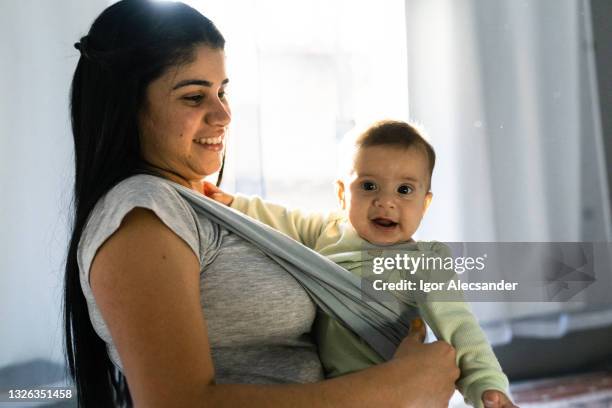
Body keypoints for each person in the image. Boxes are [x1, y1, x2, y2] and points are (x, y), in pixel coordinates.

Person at [63, 1, 461, 406]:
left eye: (222, 91)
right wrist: (396, 386)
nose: (222, 114)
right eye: (194, 97)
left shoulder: (201, 205)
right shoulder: (143, 216)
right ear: (128, 104)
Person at [206, 120, 518, 408]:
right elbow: (284, 220)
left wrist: (486, 385)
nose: (386, 201)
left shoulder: (427, 261)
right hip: (338, 391)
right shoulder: (328, 230)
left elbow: (460, 327)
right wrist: (235, 205)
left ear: (425, 204)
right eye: (369, 186)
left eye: (404, 190)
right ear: (343, 194)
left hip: (394, 389)